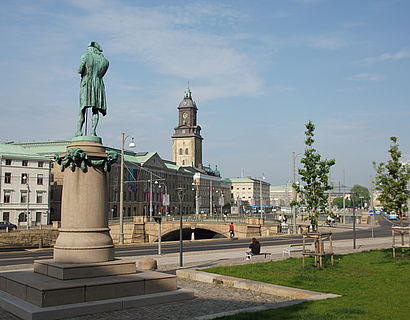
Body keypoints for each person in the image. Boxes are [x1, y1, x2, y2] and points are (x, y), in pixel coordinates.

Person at [76, 41, 110, 137]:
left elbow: (79, 70)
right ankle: (93, 131)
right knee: (95, 110)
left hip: (87, 82)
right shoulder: (105, 62)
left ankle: (79, 131)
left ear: (92, 49)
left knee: (82, 109)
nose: (88, 49)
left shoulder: (85, 56)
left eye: (89, 48)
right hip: (98, 85)